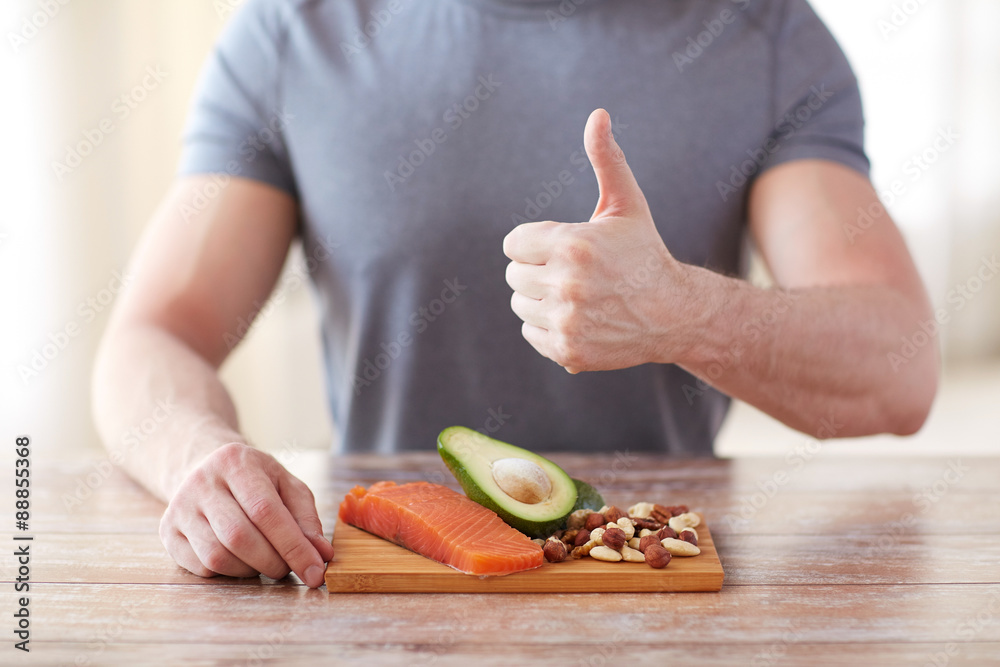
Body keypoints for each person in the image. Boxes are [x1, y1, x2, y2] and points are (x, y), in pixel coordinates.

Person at [92, 0, 939, 588]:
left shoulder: (767, 35)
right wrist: (196, 459)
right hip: (384, 582)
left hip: (647, 585)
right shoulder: (292, 32)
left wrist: (684, 310)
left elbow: (898, 368)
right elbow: (157, 333)